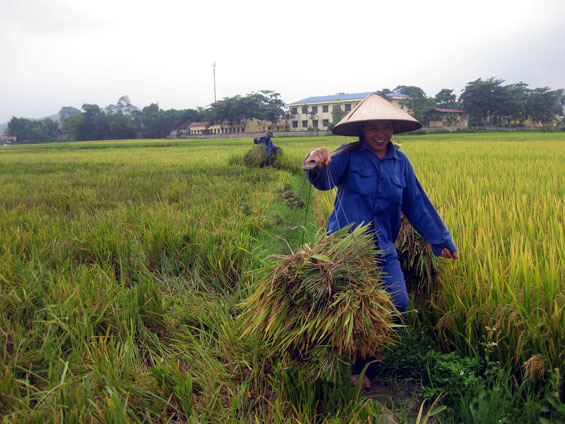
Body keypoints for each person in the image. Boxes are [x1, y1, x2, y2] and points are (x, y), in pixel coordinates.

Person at [304, 94, 458, 389]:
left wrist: (442, 241)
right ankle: (354, 362)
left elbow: (416, 203)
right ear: (361, 130)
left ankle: (370, 351)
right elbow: (323, 180)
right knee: (346, 307)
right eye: (373, 127)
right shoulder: (347, 155)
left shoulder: (400, 162)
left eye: (386, 126)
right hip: (344, 249)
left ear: (393, 129)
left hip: (383, 247)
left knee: (398, 302)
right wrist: (315, 158)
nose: (380, 133)